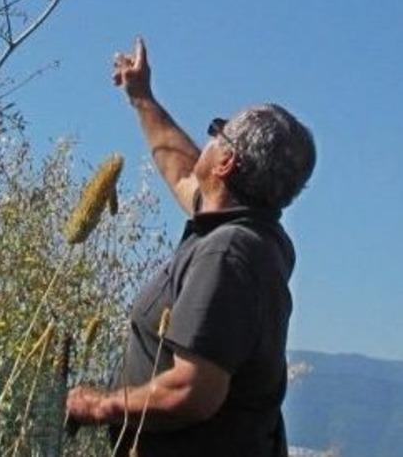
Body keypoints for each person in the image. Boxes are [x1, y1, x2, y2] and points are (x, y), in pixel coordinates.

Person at [65, 37, 316, 456]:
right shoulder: (241, 234)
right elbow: (182, 171)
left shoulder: (229, 254)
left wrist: (100, 406)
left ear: (226, 163)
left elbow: (193, 392)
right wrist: (142, 97)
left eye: (217, 131)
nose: (209, 137)